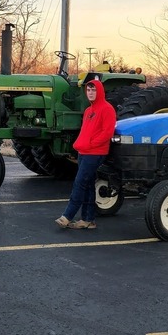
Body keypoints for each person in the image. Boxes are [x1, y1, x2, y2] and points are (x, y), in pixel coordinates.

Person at [55, 78, 117, 230]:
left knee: (80, 182)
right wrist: (78, 145)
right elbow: (85, 132)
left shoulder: (107, 109)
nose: (90, 93)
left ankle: (67, 216)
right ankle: (88, 220)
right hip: (84, 152)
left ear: (100, 91)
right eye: (88, 90)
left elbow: (107, 133)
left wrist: (90, 144)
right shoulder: (89, 110)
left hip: (96, 153)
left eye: (93, 90)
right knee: (88, 185)